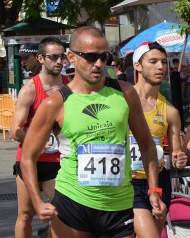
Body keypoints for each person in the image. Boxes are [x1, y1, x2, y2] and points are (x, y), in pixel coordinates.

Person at [20, 26, 166, 238]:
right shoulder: (56, 103)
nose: (98, 64)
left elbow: (146, 146)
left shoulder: (125, 93)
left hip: (119, 204)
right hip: (73, 203)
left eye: (103, 57)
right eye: (90, 57)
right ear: (71, 57)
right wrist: (37, 201)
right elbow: (28, 156)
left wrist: (154, 190)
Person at [130, 42, 187, 238]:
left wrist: (179, 157)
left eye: (163, 62)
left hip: (158, 182)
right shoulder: (122, 101)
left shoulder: (170, 111)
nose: (160, 67)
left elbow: (176, 151)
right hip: (128, 182)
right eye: (153, 61)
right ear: (138, 65)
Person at [10, 36, 65, 238]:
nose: (59, 61)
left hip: (59, 161)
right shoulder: (30, 89)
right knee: (25, 214)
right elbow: (14, 129)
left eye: (62, 56)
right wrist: (34, 141)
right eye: (53, 57)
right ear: (41, 59)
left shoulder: (70, 88)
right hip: (29, 160)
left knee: (61, 210)